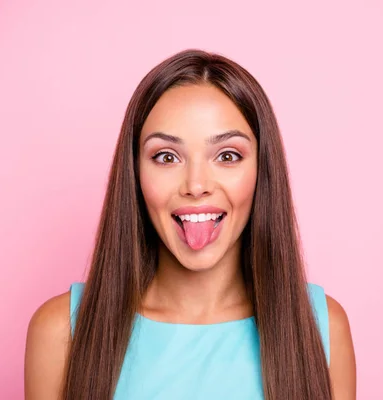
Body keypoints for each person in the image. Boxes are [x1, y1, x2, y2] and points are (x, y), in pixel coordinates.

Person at [24, 49, 356, 400]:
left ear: (262, 172)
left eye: (228, 156)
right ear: (135, 173)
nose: (196, 185)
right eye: (166, 157)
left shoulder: (322, 330)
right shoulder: (61, 332)